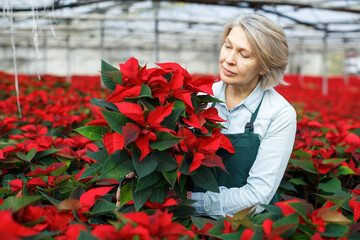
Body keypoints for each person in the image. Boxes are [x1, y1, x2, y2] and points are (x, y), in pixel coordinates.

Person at [190, 13, 297, 219]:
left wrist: (188, 201)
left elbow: (256, 197)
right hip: (189, 222)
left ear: (265, 66)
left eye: (244, 55)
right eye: (227, 46)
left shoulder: (279, 114)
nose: (228, 60)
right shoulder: (199, 99)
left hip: (246, 225)